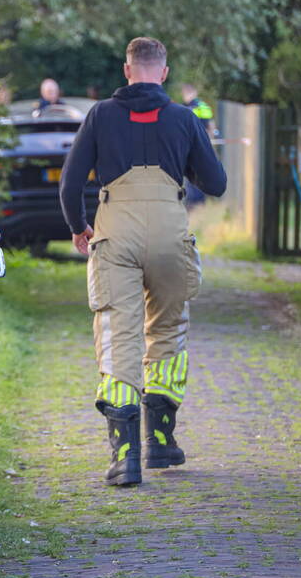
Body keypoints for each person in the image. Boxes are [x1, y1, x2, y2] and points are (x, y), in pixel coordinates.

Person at [59, 37, 226, 486]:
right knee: (169, 330)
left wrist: (78, 226)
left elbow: (70, 181)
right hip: (171, 236)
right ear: (164, 72)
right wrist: (187, 155)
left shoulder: (99, 116)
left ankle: (125, 456)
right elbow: (216, 183)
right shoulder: (184, 119)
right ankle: (162, 443)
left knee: (119, 334)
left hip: (116, 234)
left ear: (127, 70)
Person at [180, 83, 217, 207]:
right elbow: (211, 128)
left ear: (185, 93)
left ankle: (192, 203)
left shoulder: (182, 109)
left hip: (188, 148)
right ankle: (200, 203)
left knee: (190, 176)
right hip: (202, 147)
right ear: (195, 92)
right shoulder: (204, 107)